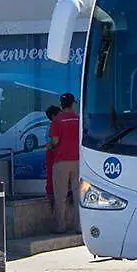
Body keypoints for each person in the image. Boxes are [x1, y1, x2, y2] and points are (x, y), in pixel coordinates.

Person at [47, 93, 81, 234]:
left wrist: (49, 146)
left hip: (61, 161)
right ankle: (79, 226)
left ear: (61, 104)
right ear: (72, 104)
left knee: (60, 195)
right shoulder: (79, 119)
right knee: (79, 194)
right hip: (78, 161)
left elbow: (55, 141)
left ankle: (60, 226)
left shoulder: (57, 120)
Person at [42, 105, 61, 204]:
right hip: (52, 153)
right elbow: (51, 143)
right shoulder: (53, 126)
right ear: (53, 116)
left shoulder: (54, 125)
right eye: (59, 114)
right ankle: (51, 194)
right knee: (51, 173)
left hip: (54, 152)